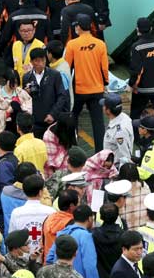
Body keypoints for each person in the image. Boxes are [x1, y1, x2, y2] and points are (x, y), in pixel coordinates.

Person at [128, 17, 154, 154]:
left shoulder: (137, 47)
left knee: (135, 113)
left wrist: (132, 84)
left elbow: (137, 70)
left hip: (143, 89)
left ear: (138, 30)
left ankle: (136, 139)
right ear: (151, 29)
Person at [65, 14, 108, 149]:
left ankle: (73, 147)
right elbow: (104, 68)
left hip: (79, 90)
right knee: (98, 122)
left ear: (78, 27)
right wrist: (105, 83)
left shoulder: (72, 44)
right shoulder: (101, 44)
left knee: (73, 117)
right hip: (97, 89)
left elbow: (66, 68)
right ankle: (100, 152)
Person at [49, 204, 103, 278]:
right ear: (90, 218)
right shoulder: (85, 236)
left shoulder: (62, 233)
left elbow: (50, 258)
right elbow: (90, 265)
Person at [22, 47, 68, 138]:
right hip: (35, 122)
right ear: (31, 62)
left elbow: (62, 96)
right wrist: (26, 93)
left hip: (51, 120)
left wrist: (53, 114)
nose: (41, 63)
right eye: (37, 61)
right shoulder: (26, 77)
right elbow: (24, 100)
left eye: (42, 60)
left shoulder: (55, 75)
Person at [8, 174, 54, 253]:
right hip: (45, 257)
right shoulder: (51, 212)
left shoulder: (16, 213)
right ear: (40, 192)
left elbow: (12, 238)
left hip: (22, 259)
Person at [100, 94, 133, 168]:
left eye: (104, 106)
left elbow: (125, 156)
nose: (102, 107)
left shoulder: (120, 132)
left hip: (115, 168)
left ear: (108, 110)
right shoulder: (123, 117)